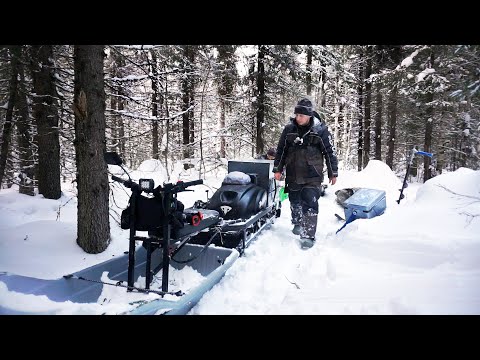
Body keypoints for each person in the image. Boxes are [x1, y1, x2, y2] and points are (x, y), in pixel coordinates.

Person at [273, 98, 338, 248]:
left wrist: (332, 172)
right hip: (293, 172)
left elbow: (329, 152)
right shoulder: (289, 130)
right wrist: (278, 168)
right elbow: (281, 150)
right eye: (297, 115)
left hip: (312, 174)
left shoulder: (320, 130)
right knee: (294, 200)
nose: (298, 118)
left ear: (309, 116)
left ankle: (308, 235)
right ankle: (297, 222)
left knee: (310, 202)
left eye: (301, 115)